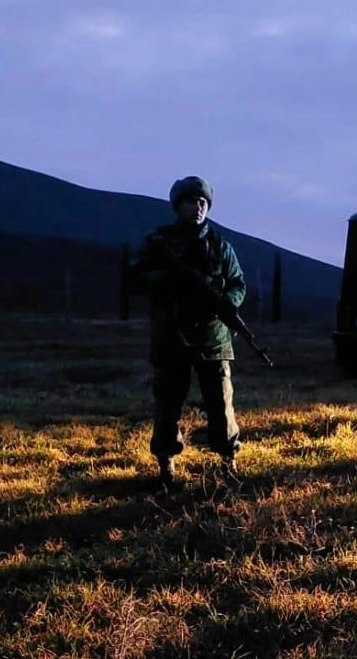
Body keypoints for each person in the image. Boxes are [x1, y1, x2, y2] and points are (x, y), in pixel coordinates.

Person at [129, 175, 247, 494]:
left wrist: (227, 303)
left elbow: (237, 284)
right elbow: (137, 278)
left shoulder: (220, 246)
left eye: (203, 202)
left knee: (221, 404)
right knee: (168, 403)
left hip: (213, 336)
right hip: (172, 335)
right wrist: (168, 281)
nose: (198, 207)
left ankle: (228, 462)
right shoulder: (160, 244)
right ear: (178, 206)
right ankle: (165, 464)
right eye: (192, 201)